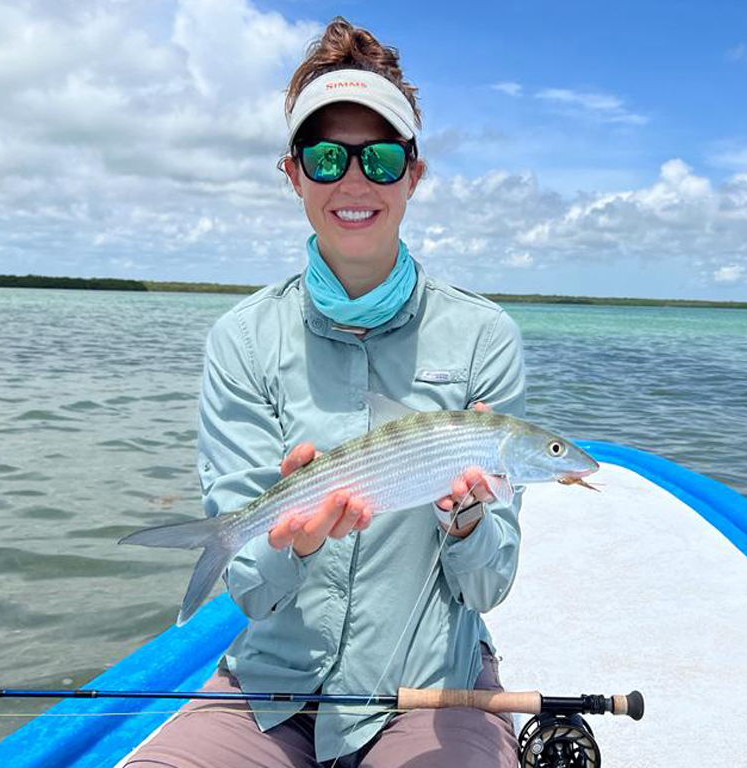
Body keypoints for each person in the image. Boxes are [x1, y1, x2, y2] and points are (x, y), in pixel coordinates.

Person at [125, 16, 524, 768]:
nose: (352, 181)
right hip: (271, 688)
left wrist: (469, 525)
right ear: (292, 173)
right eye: (324, 155)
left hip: (428, 687)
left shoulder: (483, 337)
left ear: (413, 173)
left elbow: (489, 586)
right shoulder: (242, 339)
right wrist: (287, 546)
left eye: (377, 157)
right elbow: (253, 591)